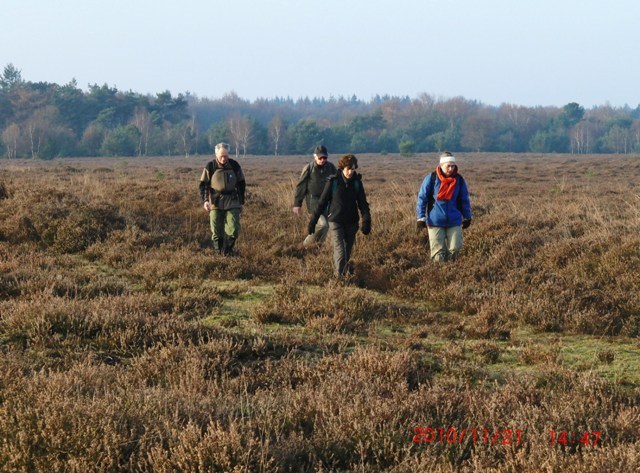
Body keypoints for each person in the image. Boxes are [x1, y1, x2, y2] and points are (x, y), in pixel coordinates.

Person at [308, 154, 371, 278]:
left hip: (352, 223)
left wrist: (366, 220)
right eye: (348, 169)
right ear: (342, 168)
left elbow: (363, 204)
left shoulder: (357, 183)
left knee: (347, 253)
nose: (350, 172)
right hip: (336, 221)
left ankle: (341, 275)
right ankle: (339, 279)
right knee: (340, 251)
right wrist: (313, 221)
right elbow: (322, 202)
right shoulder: (333, 181)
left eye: (353, 169)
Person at [416, 151, 471, 262]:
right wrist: (421, 217)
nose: (451, 169)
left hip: (454, 220)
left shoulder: (459, 180)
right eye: (448, 166)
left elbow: (464, 200)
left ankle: (452, 270)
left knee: (455, 249)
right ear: (441, 165)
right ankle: (439, 271)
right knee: (438, 253)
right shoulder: (431, 178)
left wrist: (467, 217)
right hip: (435, 221)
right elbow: (422, 198)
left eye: (453, 166)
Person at [199, 142, 246, 255]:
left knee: (234, 228)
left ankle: (227, 250)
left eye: (226, 156)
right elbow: (203, 185)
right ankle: (218, 253)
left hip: (232, 200)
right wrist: (205, 201)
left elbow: (241, 184)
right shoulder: (210, 166)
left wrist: (241, 201)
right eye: (221, 156)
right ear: (216, 155)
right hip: (216, 201)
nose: (224, 158)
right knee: (216, 229)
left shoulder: (234, 165)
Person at [292, 145, 337, 246]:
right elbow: (301, 186)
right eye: (320, 158)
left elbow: (337, 183)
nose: (322, 160)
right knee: (323, 224)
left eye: (324, 157)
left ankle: (318, 247)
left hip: (326, 201)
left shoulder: (331, 168)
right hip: (313, 201)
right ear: (315, 156)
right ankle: (305, 244)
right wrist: (297, 204)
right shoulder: (309, 168)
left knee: (327, 226)